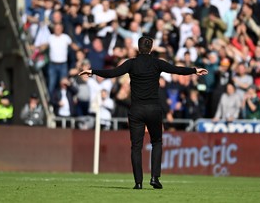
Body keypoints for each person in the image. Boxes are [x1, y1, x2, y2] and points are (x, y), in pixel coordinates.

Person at [79, 36, 208, 189]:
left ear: (138, 48)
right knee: (157, 142)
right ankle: (154, 178)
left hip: (136, 110)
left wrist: (92, 71)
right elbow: (176, 70)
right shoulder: (157, 63)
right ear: (151, 47)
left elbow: (113, 72)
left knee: (136, 147)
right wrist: (194, 70)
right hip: (153, 109)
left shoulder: (131, 63)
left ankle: (138, 182)